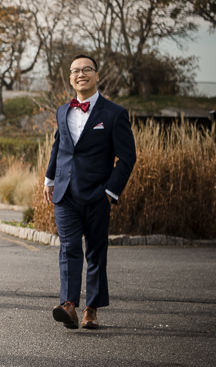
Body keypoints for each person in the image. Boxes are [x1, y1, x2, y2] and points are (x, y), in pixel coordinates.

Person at [44, 54, 136, 329]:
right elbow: (58, 145)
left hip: (97, 194)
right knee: (70, 248)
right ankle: (69, 305)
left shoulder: (114, 113)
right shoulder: (62, 111)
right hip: (65, 193)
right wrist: (49, 179)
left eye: (86, 70)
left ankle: (91, 310)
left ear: (96, 75)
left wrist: (110, 192)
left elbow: (127, 158)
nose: (80, 74)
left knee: (95, 252)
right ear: (70, 78)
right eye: (75, 71)